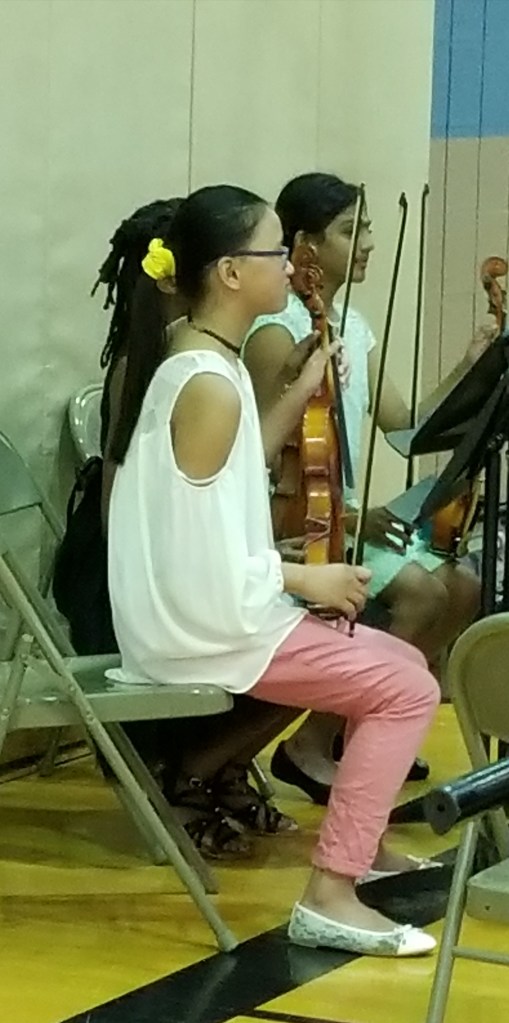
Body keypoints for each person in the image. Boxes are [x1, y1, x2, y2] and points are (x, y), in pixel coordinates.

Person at [107, 182, 440, 956]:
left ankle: (361, 845)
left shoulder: (204, 361)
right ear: (230, 272)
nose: (290, 265)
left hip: (208, 607)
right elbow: (201, 554)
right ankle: (329, 894)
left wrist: (300, 387)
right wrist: (301, 578)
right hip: (201, 623)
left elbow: (231, 472)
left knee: (400, 662)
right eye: (273, 251)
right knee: (408, 690)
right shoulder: (207, 382)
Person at [56, 198, 310, 858]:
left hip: (171, 564)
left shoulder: (205, 358)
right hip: (120, 574)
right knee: (307, 637)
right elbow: (125, 513)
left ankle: (218, 770)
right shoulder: (167, 365)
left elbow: (225, 477)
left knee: (314, 624)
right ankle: (193, 774)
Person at [243, 171, 484, 802]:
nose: (370, 243)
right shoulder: (276, 331)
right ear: (305, 246)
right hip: (299, 519)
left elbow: (404, 424)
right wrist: (354, 518)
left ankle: (362, 735)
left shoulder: (354, 322)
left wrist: (470, 365)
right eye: (352, 230)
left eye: (368, 228)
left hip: (348, 511)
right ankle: (310, 743)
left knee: (463, 584)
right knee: (422, 594)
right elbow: (270, 465)